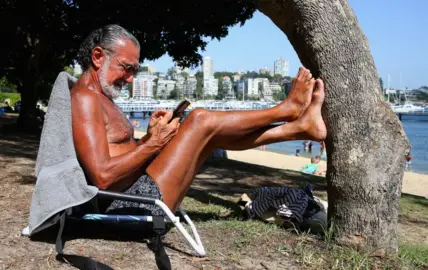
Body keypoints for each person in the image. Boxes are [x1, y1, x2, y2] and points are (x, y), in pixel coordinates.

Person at [71, 25, 327, 216]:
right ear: (97, 57)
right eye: (126, 68)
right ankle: (286, 111)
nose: (130, 79)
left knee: (211, 135)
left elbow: (114, 155)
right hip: (129, 204)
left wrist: (149, 137)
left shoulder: (99, 98)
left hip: (138, 192)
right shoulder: (85, 98)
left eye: (134, 71)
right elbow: (103, 177)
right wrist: (153, 144)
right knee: (199, 119)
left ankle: (298, 128)